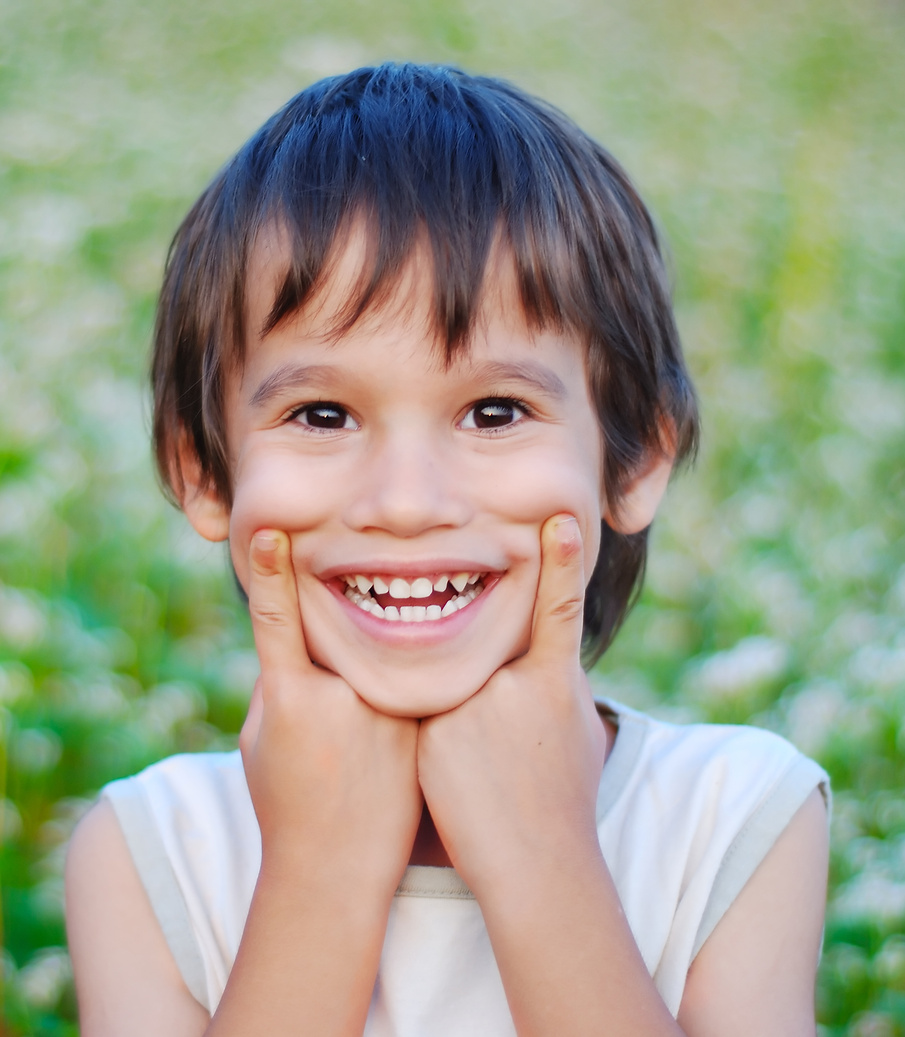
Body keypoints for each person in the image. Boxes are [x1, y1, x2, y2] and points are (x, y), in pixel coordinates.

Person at [65, 63, 830, 1037]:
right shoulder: (153, 852)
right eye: (323, 412)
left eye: (495, 410)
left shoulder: (732, 820)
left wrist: (543, 854)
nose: (406, 501)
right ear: (203, 471)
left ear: (634, 458)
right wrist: (320, 870)